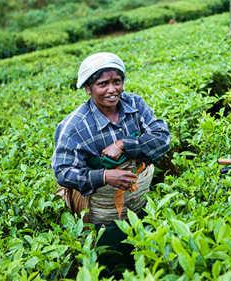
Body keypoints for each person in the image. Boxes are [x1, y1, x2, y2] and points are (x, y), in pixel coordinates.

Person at [51, 52, 170, 274]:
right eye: (102, 84)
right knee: (112, 262)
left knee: (147, 258)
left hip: (140, 201)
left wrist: (125, 144)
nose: (112, 89)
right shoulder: (75, 126)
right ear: (88, 88)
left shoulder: (134, 104)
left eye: (117, 82)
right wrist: (105, 176)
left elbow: (162, 138)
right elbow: (63, 172)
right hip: (104, 215)